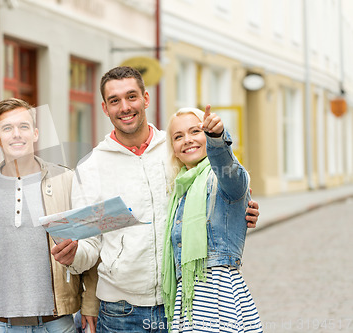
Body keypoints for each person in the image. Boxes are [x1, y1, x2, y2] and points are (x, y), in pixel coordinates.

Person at [51, 66, 260, 332]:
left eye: (132, 97)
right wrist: (73, 254)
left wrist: (243, 207)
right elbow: (90, 245)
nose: (125, 107)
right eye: (115, 101)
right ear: (105, 108)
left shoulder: (176, 147)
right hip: (121, 311)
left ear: (146, 99)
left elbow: (222, 182)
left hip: (183, 304)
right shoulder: (91, 168)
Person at [0, 98, 99, 333]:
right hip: (0, 325)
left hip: (57, 323)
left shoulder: (66, 179)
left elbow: (91, 241)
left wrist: (90, 303)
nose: (16, 134)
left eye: (23, 127)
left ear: (35, 133)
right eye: (7, 128)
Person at [162, 106, 262, 332]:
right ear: (174, 150)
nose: (187, 140)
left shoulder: (224, 178)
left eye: (195, 131)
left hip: (219, 297)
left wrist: (217, 138)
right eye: (178, 137)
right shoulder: (178, 191)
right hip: (188, 302)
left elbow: (227, 167)